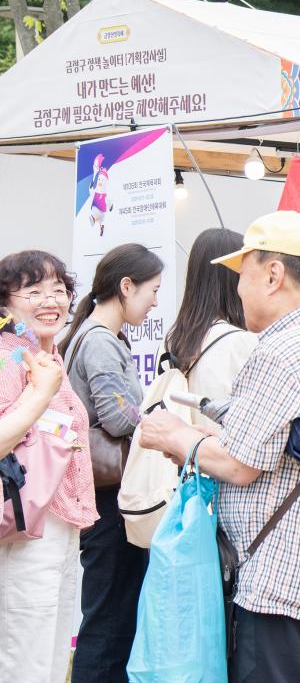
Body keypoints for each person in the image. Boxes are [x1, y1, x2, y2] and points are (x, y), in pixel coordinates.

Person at [139, 211, 300, 683]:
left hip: (285, 585)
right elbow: (275, 445)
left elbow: (239, 463)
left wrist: (172, 435)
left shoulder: (281, 349)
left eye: (243, 275)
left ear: (274, 274)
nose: (237, 290)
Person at [60, 243, 162, 683]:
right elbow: (117, 416)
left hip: (100, 499)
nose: (155, 301)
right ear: (126, 286)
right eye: (152, 290)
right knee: (109, 623)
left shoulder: (94, 334)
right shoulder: (100, 340)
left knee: (111, 616)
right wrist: (158, 417)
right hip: (107, 503)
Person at [0, 252, 97, 683]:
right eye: (34, 290)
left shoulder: (46, 355)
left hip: (56, 524)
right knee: (26, 652)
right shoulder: (7, 358)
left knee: (53, 650)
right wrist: (39, 394)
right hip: (23, 528)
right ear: (5, 303)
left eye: (58, 289)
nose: (50, 299)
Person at [162, 228, 258, 427]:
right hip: (217, 455)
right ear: (233, 278)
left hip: (174, 454)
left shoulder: (170, 340)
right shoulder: (241, 342)